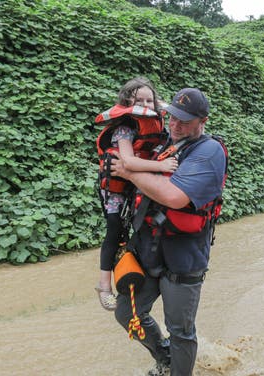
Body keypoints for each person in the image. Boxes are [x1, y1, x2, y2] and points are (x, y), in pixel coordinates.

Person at [110, 88, 227, 375]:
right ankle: (165, 358)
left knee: (181, 330)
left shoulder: (209, 151)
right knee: (127, 313)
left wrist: (128, 171)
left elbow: (174, 197)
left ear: (203, 121)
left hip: (184, 256)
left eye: (184, 121)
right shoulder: (164, 144)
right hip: (148, 251)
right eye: (172, 117)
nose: (175, 125)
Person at [94, 77, 178, 311]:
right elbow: (128, 161)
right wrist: (161, 167)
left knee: (140, 226)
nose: (144, 104)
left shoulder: (156, 119)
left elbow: (168, 108)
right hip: (115, 187)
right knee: (114, 229)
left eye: (148, 100)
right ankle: (104, 286)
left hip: (136, 186)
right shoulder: (125, 127)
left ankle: (136, 272)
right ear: (127, 101)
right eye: (138, 100)